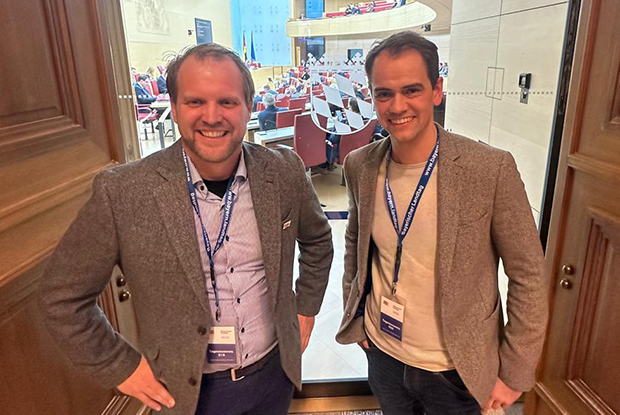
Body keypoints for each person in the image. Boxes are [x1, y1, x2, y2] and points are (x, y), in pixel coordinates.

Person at [39, 43, 334, 415]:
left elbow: (318, 241)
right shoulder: (125, 191)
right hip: (187, 392)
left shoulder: (283, 170)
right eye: (195, 102)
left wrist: (305, 307)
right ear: (175, 109)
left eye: (227, 102)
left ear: (249, 107)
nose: (212, 117)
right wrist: (117, 365)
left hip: (274, 375)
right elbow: (61, 297)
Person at [336, 31, 548, 415]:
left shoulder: (489, 169)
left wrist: (515, 370)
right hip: (383, 354)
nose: (397, 106)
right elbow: (355, 242)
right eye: (384, 93)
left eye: (411, 90)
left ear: (436, 91)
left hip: (455, 370)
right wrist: (357, 318)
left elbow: (528, 274)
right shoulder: (360, 165)